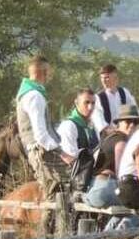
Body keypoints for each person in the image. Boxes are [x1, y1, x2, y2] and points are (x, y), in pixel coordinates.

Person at [16, 55, 65, 211]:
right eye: (48, 72)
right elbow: (41, 135)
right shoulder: (34, 96)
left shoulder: (30, 93)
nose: (49, 76)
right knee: (56, 191)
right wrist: (62, 152)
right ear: (40, 72)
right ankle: (52, 231)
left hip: (40, 150)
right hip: (41, 152)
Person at [85, 106, 139, 209]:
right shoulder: (122, 141)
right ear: (119, 123)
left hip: (93, 188)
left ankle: (112, 226)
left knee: (126, 214)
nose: (132, 125)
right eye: (128, 121)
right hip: (105, 188)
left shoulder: (110, 137)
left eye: (135, 122)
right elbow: (121, 172)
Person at [56, 88, 99, 194]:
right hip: (74, 178)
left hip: (90, 174)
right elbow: (71, 160)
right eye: (86, 103)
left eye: (93, 103)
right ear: (76, 103)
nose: (90, 107)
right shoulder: (68, 126)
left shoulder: (93, 126)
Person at [94, 63, 138, 136]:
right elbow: (100, 123)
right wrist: (115, 131)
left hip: (125, 134)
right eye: (102, 78)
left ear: (115, 77)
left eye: (107, 77)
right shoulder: (98, 98)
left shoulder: (124, 93)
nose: (104, 81)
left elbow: (132, 115)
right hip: (108, 137)